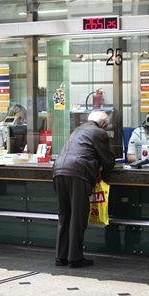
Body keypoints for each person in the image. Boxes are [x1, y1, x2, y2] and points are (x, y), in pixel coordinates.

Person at [53, 111, 115, 268]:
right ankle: (75, 258)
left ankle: (61, 256)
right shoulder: (99, 132)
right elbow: (108, 161)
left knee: (64, 214)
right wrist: (103, 167)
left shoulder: (77, 129)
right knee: (78, 216)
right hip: (78, 173)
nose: (106, 129)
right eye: (106, 126)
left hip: (58, 170)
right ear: (103, 124)